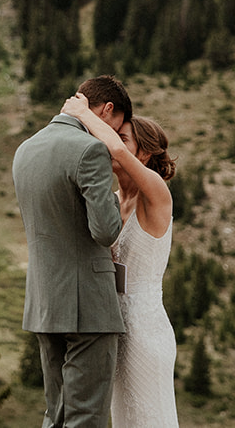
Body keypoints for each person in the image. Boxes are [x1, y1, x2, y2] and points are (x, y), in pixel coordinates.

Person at [13, 75, 133, 428]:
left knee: (57, 415)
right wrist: (118, 203)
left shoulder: (26, 149)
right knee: (86, 419)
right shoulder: (90, 150)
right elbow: (105, 231)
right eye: (118, 126)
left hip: (44, 303)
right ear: (107, 110)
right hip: (88, 308)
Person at [62, 92, 178, 428]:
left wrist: (82, 112)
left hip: (145, 327)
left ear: (145, 153)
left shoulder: (156, 193)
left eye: (122, 137)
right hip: (113, 326)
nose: (110, 143)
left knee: (150, 418)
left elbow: (111, 149)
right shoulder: (111, 201)